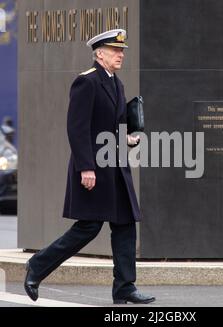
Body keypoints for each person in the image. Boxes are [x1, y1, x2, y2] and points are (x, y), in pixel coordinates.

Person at [24, 29, 155, 305]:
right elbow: (77, 129)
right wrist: (86, 168)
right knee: (88, 227)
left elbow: (112, 127)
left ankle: (124, 287)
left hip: (116, 169)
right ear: (99, 53)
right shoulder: (87, 82)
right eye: (115, 50)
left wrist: (128, 139)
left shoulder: (116, 84)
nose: (121, 54)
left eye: (122, 51)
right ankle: (37, 265)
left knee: (125, 225)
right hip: (94, 169)